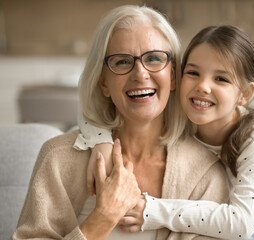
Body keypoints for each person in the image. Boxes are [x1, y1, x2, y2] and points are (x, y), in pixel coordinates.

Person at [11, 5, 229, 240]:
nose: (140, 73)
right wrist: (103, 217)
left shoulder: (205, 174)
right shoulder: (58, 159)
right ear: (103, 82)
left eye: (154, 58)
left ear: (174, 76)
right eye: (122, 62)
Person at [83, 25, 254, 240]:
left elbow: (241, 225)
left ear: (244, 94)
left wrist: (154, 211)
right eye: (193, 73)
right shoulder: (186, 114)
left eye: (221, 79)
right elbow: (94, 111)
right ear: (177, 77)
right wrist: (102, 141)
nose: (203, 87)